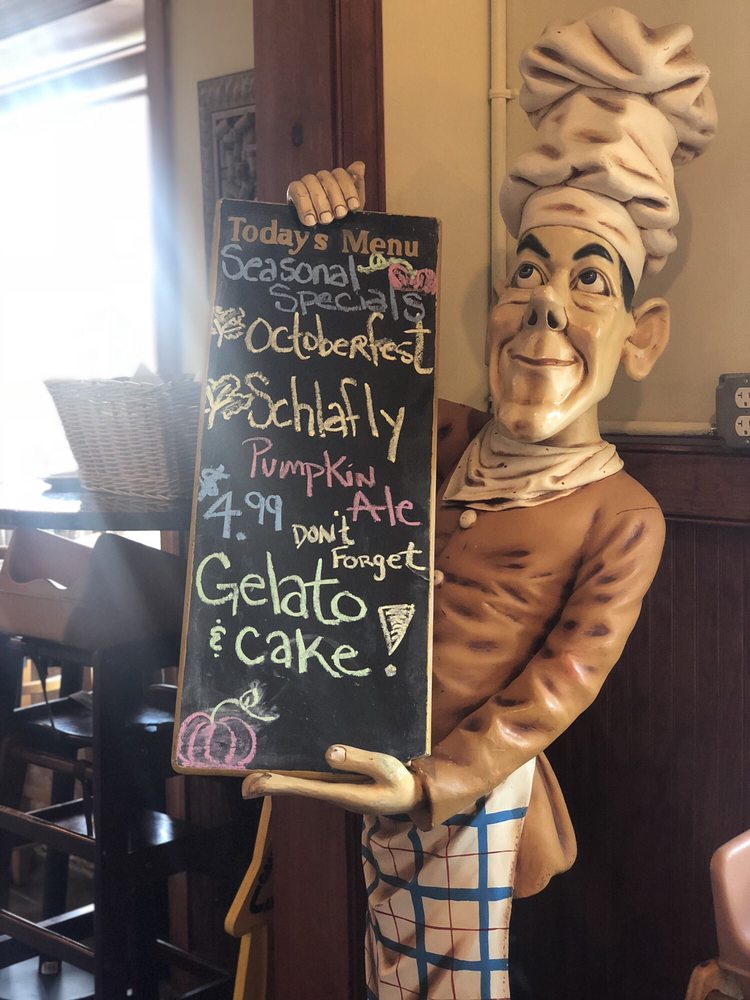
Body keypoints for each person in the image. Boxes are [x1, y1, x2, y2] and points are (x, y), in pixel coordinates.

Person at [242, 8, 717, 997]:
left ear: (642, 335)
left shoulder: (623, 513)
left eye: (591, 281)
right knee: (390, 972)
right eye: (527, 273)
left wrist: (430, 781)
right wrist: (319, 247)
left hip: (469, 792)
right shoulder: (439, 434)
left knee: (450, 985)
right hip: (360, 750)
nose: (546, 303)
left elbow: (555, 689)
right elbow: (310, 399)